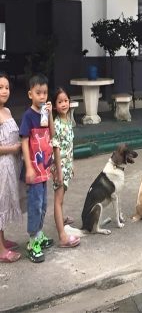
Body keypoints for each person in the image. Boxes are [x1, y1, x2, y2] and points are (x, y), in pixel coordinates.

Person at [19, 74, 55, 263]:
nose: (42, 96)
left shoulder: (44, 113)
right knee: (34, 205)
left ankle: (39, 234)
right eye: (38, 93)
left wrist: (49, 114)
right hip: (34, 171)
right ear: (30, 94)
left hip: (44, 170)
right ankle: (32, 241)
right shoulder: (28, 116)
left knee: (42, 205)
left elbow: (52, 133)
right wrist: (29, 168)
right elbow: (24, 141)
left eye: (45, 93)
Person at [51, 89, 80, 248]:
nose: (64, 104)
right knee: (58, 200)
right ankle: (62, 236)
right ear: (55, 106)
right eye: (60, 101)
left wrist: (72, 164)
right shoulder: (56, 124)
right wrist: (59, 171)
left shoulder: (68, 120)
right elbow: (55, 148)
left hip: (67, 165)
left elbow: (69, 145)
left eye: (66, 100)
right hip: (59, 167)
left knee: (62, 197)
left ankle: (61, 218)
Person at [0, 73, 23, 263]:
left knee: (5, 202)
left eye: (6, 87)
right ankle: (0, 250)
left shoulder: (6, 110)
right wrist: (13, 148)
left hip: (11, 164)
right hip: (2, 165)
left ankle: (2, 239)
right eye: (0, 87)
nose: (4, 91)